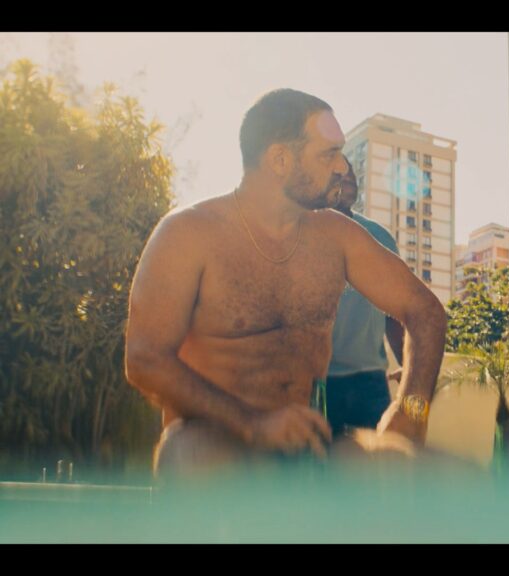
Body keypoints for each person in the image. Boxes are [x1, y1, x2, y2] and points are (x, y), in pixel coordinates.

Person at [124, 89, 446, 476]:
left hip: (305, 446)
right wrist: (253, 425)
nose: (342, 167)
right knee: (194, 452)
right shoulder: (188, 233)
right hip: (212, 441)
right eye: (329, 154)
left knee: (432, 472)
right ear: (280, 160)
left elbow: (425, 311)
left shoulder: (337, 235)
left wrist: (411, 410)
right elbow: (144, 359)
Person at [325, 159, 406, 435]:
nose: (348, 176)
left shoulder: (380, 236)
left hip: (370, 384)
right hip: (316, 380)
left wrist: (408, 368)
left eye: (351, 172)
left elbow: (396, 312)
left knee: (376, 459)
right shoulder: (304, 229)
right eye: (339, 172)